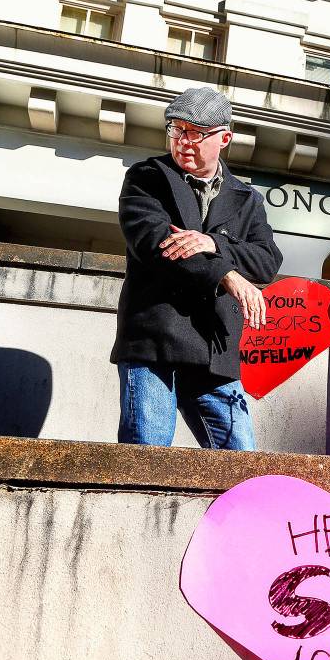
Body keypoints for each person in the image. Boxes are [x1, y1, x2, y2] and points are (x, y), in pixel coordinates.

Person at [111, 87, 283, 449]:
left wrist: (214, 243)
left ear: (224, 138)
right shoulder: (147, 177)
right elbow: (157, 244)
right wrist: (227, 274)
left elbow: (267, 260)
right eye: (176, 129)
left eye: (195, 133)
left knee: (241, 464)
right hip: (155, 341)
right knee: (147, 460)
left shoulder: (247, 199)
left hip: (216, 349)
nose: (183, 141)